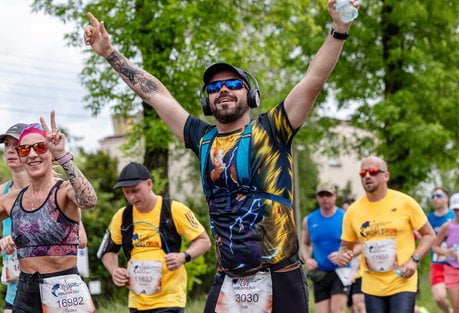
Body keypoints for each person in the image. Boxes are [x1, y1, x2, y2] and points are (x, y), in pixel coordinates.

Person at [84, 1, 359, 311]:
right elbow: (154, 94)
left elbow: (313, 80)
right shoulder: (202, 139)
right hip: (229, 276)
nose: (223, 90)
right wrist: (110, 53)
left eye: (232, 84)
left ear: (250, 95)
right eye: (214, 87)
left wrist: (340, 28)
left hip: (280, 274)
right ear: (207, 99)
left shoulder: (273, 129)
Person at [0, 113, 98, 313]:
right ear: (20, 156)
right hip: (25, 293)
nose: (33, 154)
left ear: (51, 154)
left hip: (64, 290)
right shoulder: (10, 199)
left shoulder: (64, 192)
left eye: (40, 147)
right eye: (25, 149)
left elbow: (89, 200)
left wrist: (63, 156)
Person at [98, 162, 211, 313]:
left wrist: (184, 257)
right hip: (137, 300)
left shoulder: (174, 209)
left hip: (170, 298)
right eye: (127, 192)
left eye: (136, 191)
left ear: (149, 184)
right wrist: (114, 270)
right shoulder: (122, 216)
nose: (132, 197)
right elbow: (107, 251)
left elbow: (204, 241)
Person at [337, 156, 436, 313]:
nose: (367, 176)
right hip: (372, 285)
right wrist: (343, 254)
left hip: (402, 280)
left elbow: (429, 235)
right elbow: (346, 245)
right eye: (363, 173)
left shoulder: (405, 202)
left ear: (386, 176)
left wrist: (414, 260)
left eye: (373, 172)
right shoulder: (353, 211)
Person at [300, 182, 348, 313]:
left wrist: (342, 254)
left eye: (328, 195)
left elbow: (354, 243)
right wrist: (307, 259)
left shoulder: (345, 217)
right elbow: (305, 244)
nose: (325, 198)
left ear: (335, 196)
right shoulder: (309, 220)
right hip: (320, 273)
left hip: (340, 271)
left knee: (336, 311)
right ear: (317, 198)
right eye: (321, 195)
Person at [0, 123, 28, 313]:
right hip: (15, 288)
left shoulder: (52, 189)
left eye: (15, 144)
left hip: (49, 286)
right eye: (6, 145)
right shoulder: (3, 191)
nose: (10, 150)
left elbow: (81, 239)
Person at [432, 192, 459, 313]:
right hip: (452, 270)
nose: (458, 212)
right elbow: (435, 247)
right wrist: (446, 252)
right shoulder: (447, 226)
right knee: (457, 309)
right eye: (455, 209)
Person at [427, 187, 454, 313]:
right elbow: (422, 237)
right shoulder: (429, 218)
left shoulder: (454, 215)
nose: (435, 199)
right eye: (433, 197)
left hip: (455, 264)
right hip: (437, 264)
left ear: (446, 197)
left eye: (438, 195)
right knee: (439, 298)